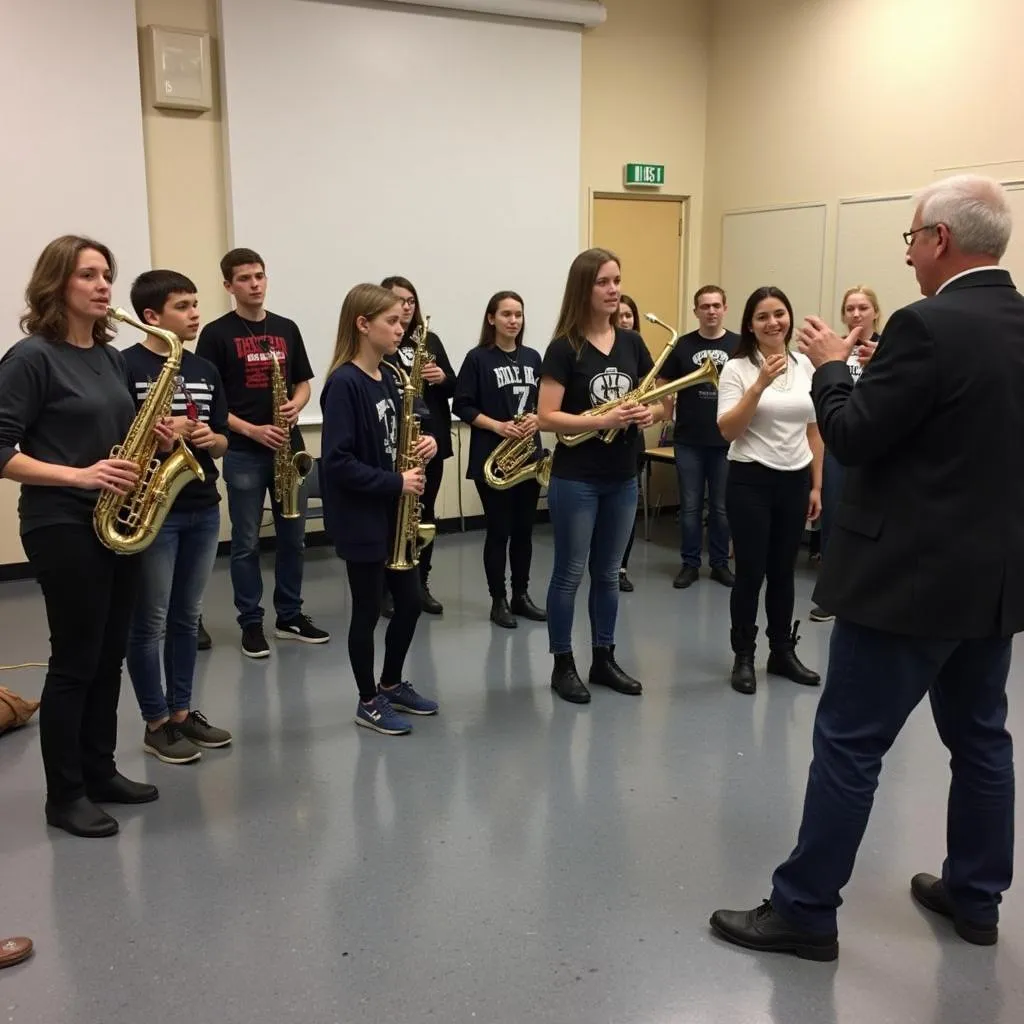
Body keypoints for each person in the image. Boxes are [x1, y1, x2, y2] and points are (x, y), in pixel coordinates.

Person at [710, 174, 1023, 961]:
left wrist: (834, 367)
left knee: (849, 744)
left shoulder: (925, 325)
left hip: (908, 585)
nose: (911, 253)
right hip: (993, 583)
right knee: (983, 740)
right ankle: (977, 896)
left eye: (913, 238)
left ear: (941, 241)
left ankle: (806, 910)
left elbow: (851, 435)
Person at [0, 236, 167, 837]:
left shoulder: (110, 357)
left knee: (109, 654)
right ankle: (64, 795)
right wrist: (77, 473)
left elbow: (114, 431)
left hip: (118, 522)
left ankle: (100, 771)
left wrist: (159, 437)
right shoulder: (31, 358)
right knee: (75, 660)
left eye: (107, 275)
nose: (103, 286)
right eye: (88, 276)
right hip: (62, 522)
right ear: (56, 285)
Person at [538, 249, 671, 704]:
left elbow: (663, 404)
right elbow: (547, 417)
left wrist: (643, 413)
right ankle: (563, 664)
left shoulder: (632, 344)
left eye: (617, 280)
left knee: (609, 574)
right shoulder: (564, 348)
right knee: (570, 574)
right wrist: (603, 421)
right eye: (604, 283)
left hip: (622, 476)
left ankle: (604, 658)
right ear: (584, 289)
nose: (614, 290)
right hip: (577, 478)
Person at [196, 248, 329, 658]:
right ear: (228, 286)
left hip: (290, 451)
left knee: (294, 538)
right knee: (247, 543)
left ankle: (289, 616)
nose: (255, 284)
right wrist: (251, 428)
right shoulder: (217, 334)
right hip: (244, 452)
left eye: (260, 276)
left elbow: (304, 381)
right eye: (244, 279)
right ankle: (250, 624)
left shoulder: (286, 328)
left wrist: (297, 405)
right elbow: (210, 401)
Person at [123, 271, 233, 765]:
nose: (195, 313)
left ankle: (183, 712)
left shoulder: (206, 368)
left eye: (195, 304)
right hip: (152, 509)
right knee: (150, 621)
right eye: (183, 306)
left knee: (187, 617)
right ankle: (156, 722)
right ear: (152, 316)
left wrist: (211, 441)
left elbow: (225, 438)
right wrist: (159, 439)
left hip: (201, 503)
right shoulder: (120, 365)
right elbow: (118, 437)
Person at [320, 283, 440, 736]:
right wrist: (396, 481)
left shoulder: (390, 375)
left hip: (394, 516)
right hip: (363, 518)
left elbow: (401, 433)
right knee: (367, 612)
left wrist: (423, 445)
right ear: (363, 324)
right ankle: (367, 700)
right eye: (391, 321)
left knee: (408, 604)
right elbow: (337, 462)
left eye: (402, 320)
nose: (400, 327)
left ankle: (390, 684)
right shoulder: (344, 383)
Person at [716, 287, 823, 695]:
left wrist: (816, 484)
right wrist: (759, 384)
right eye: (763, 316)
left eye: (780, 313)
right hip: (750, 480)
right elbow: (728, 429)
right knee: (751, 573)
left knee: (783, 572)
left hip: (795, 479)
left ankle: (781, 652)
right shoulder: (737, 368)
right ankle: (744, 656)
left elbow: (814, 430)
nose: (773, 322)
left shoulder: (805, 367)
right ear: (750, 325)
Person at [453, 291, 547, 628]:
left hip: (528, 456)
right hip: (492, 458)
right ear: (491, 318)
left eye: (518, 314)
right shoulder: (478, 358)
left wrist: (536, 419)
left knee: (524, 531)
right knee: (499, 531)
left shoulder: (534, 357)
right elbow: (461, 405)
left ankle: (521, 596)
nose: (513, 320)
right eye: (506, 314)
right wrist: (498, 426)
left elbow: (543, 403)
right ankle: (499, 600)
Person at [380, 276, 456, 616]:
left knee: (424, 514)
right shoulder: (381, 339)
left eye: (411, 300)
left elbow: (455, 385)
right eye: (399, 300)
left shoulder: (431, 338)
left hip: (430, 442)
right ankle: (386, 587)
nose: (406, 306)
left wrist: (441, 377)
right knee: (391, 516)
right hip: (394, 442)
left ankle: (419, 584)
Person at [808, 286, 882, 623]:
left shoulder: (889, 349)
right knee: (835, 512)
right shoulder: (833, 351)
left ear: (875, 312)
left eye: (863, 307)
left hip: (874, 444)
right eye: (850, 308)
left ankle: (867, 586)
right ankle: (832, 592)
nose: (856, 314)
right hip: (838, 440)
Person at [659, 286, 738, 590]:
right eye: (704, 306)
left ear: (725, 308)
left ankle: (719, 564)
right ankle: (690, 564)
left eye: (716, 305)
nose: (711, 311)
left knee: (720, 508)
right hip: (689, 440)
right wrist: (665, 410)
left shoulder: (738, 344)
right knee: (690, 508)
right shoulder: (682, 345)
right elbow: (665, 380)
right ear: (696, 311)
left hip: (726, 441)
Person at [614, 294, 644, 593]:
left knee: (629, 502)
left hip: (632, 438)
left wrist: (652, 410)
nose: (624, 319)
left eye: (628, 315)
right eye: (620, 315)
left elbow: (658, 400)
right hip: (603, 433)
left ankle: (621, 567)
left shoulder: (637, 350)